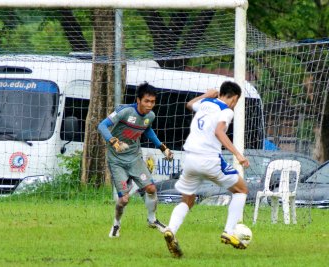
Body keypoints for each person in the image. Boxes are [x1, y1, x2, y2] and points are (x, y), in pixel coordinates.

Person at [163, 81, 250, 258]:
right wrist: (238, 155)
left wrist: (206, 94)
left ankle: (170, 229)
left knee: (187, 200)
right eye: (237, 101)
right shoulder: (227, 110)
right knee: (241, 189)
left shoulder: (205, 104)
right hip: (209, 159)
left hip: (189, 159)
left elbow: (189, 105)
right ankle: (229, 231)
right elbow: (219, 132)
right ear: (234, 98)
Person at [98, 82, 174, 238]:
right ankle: (116, 225)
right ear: (138, 100)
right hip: (117, 160)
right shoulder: (125, 111)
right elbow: (102, 126)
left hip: (135, 159)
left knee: (151, 189)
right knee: (124, 200)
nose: (150, 105)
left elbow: (147, 130)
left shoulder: (150, 116)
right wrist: (114, 141)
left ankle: (152, 220)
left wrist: (163, 148)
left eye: (152, 102)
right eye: (147, 101)